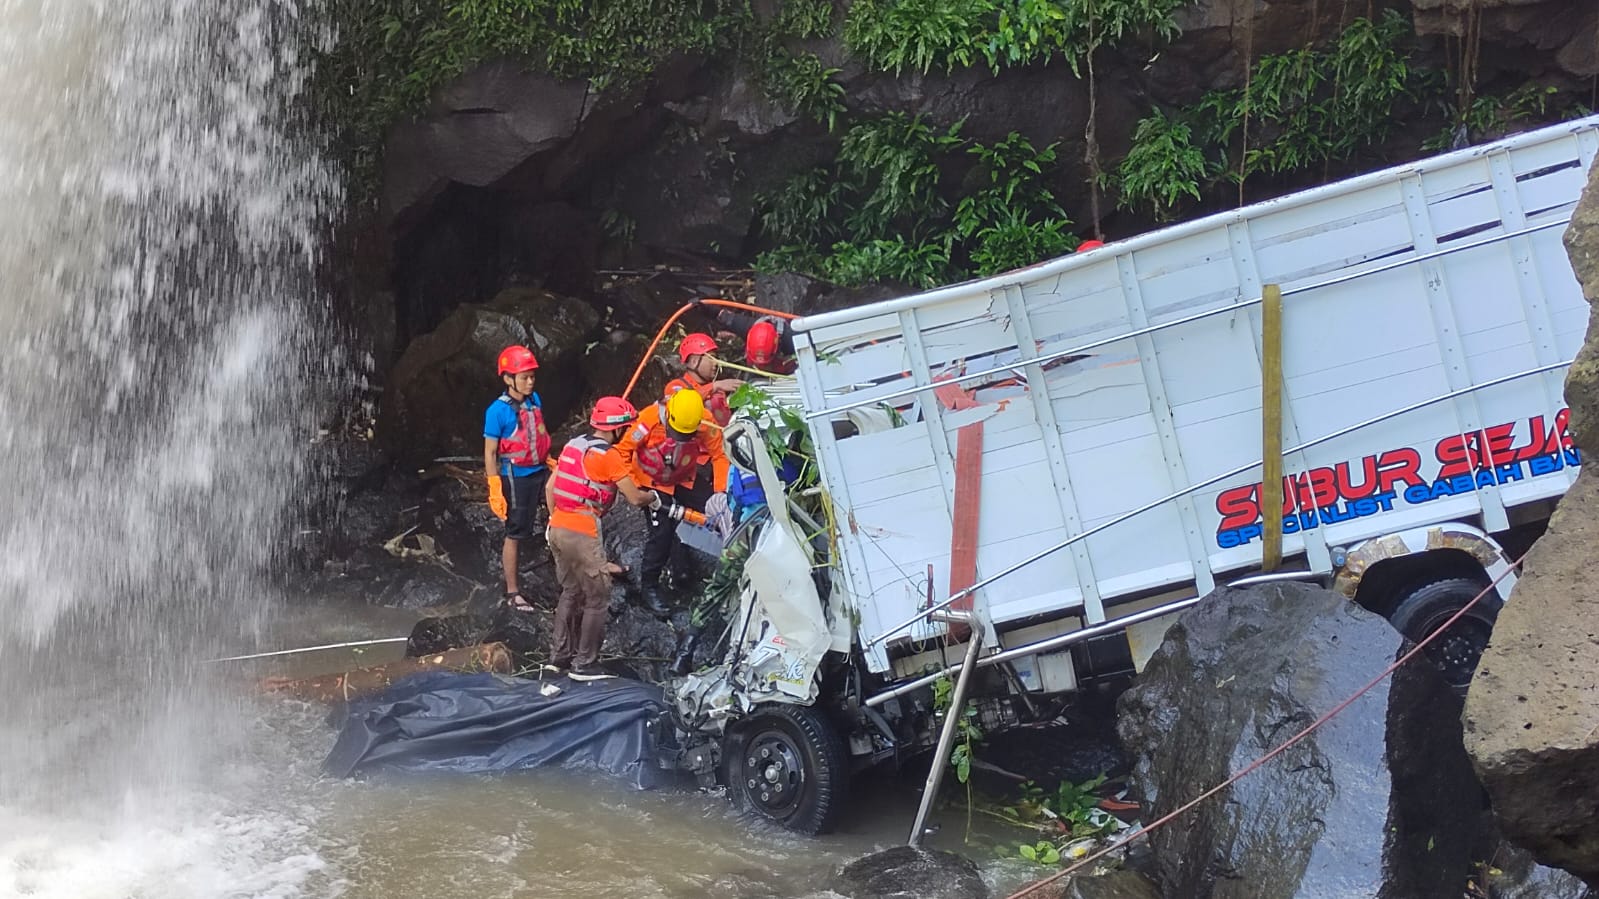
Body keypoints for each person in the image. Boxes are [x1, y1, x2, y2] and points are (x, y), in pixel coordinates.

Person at [543, 397, 659, 677]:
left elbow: (550, 487)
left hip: (557, 526)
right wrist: (653, 497)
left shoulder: (573, 446)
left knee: (570, 591)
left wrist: (553, 519)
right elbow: (633, 497)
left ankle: (557, 659)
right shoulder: (609, 456)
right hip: (582, 531)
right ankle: (585, 664)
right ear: (616, 428)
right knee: (598, 597)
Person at [612, 388, 730, 616]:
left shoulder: (704, 421)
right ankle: (650, 586)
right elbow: (621, 452)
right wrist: (635, 487)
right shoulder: (647, 420)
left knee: (715, 512)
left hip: (685, 475)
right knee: (661, 534)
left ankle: (708, 567)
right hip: (652, 480)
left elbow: (719, 454)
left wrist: (720, 492)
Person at [483, 344, 550, 612]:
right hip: (517, 476)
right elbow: (490, 453)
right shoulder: (496, 411)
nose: (530, 381)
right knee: (516, 530)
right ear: (508, 379)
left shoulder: (535, 400)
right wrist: (494, 487)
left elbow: (539, 434)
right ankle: (512, 592)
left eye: (532, 376)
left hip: (540, 469)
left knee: (567, 502)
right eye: (524, 377)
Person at [665, 332, 741, 426]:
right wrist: (714, 386)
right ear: (694, 362)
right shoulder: (675, 386)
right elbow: (680, 407)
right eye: (712, 358)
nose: (716, 363)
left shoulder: (718, 390)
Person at [713, 308, 797, 376]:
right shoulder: (745, 326)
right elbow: (722, 315)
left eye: (765, 365)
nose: (762, 368)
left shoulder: (791, 340)